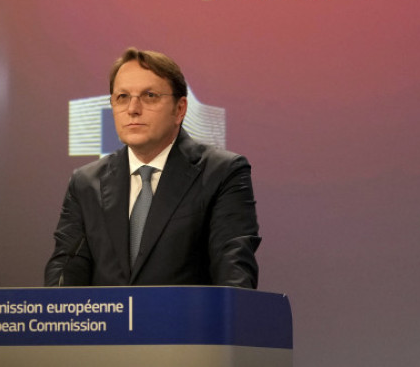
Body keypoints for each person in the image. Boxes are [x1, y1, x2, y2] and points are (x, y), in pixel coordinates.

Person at [45, 48, 260, 287]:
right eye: (122, 97)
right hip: (109, 314)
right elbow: (66, 269)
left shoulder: (222, 173)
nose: (132, 109)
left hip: (185, 313)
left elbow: (234, 273)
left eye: (149, 96)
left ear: (180, 109)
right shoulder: (86, 183)